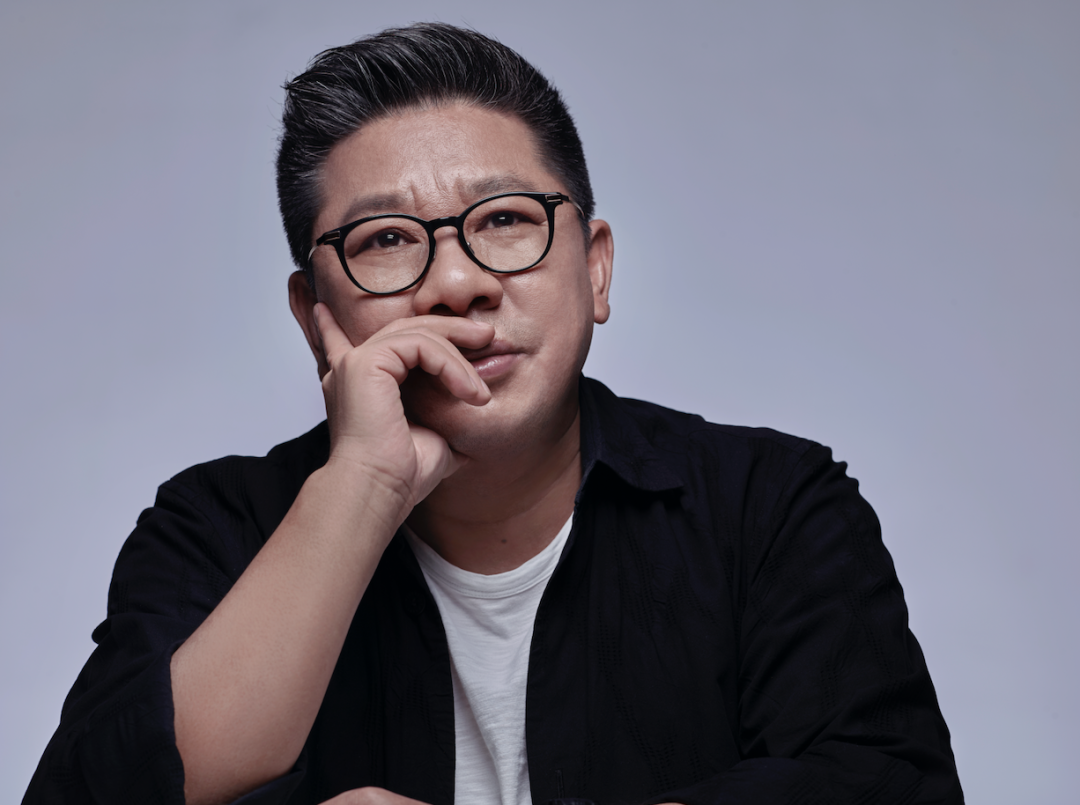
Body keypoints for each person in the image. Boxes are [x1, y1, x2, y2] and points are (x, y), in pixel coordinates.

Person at [24, 22, 964, 805]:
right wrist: (363, 483)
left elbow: (887, 784)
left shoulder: (768, 503)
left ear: (594, 267)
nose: (458, 281)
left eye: (506, 219)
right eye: (386, 239)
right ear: (315, 317)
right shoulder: (216, 528)